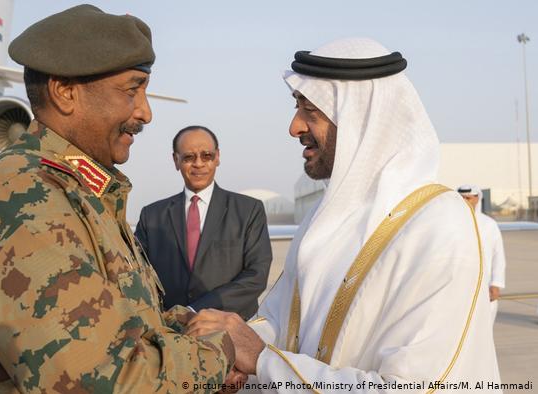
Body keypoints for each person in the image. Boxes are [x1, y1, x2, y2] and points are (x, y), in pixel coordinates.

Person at [0, 5, 238, 392]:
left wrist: (190, 325)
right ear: (66, 93)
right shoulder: (23, 198)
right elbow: (108, 381)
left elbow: (121, 318)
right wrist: (221, 350)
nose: (146, 112)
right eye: (132, 89)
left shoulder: (77, 189)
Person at [187, 38, 501, 392]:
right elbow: (280, 320)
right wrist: (230, 346)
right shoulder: (325, 217)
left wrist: (261, 359)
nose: (295, 127)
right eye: (297, 107)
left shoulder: (440, 224)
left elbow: (414, 386)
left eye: (311, 110)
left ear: (362, 120)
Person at [135, 126, 272, 320]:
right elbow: (138, 275)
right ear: (176, 160)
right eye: (189, 157)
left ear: (217, 157)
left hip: (229, 329)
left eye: (206, 156)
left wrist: (193, 310)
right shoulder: (152, 216)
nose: (198, 164)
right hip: (170, 332)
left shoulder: (249, 210)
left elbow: (256, 276)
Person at [458, 185, 506, 323]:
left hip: (485, 285)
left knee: (484, 327)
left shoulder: (489, 225)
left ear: (477, 199)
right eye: (462, 198)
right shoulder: (451, 222)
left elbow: (498, 256)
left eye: (468, 198)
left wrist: (496, 284)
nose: (465, 201)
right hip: (460, 285)